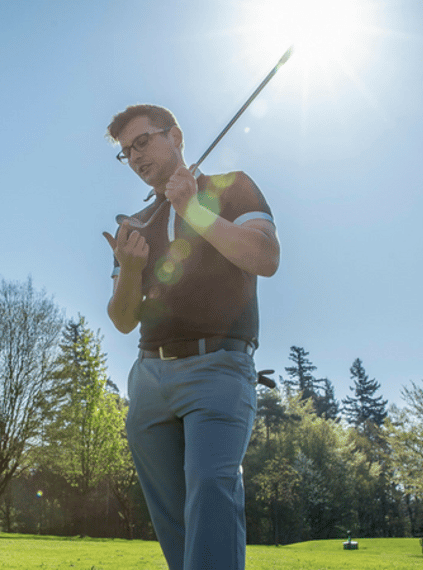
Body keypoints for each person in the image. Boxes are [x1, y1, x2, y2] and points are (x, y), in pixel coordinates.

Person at [102, 104, 280, 570]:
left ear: (175, 135)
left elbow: (264, 256)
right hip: (150, 379)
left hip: (219, 368)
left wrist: (192, 210)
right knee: (174, 520)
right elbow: (123, 319)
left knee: (211, 490)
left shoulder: (233, 186)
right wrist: (132, 271)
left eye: (143, 142)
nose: (136, 157)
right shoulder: (132, 227)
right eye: (126, 152)